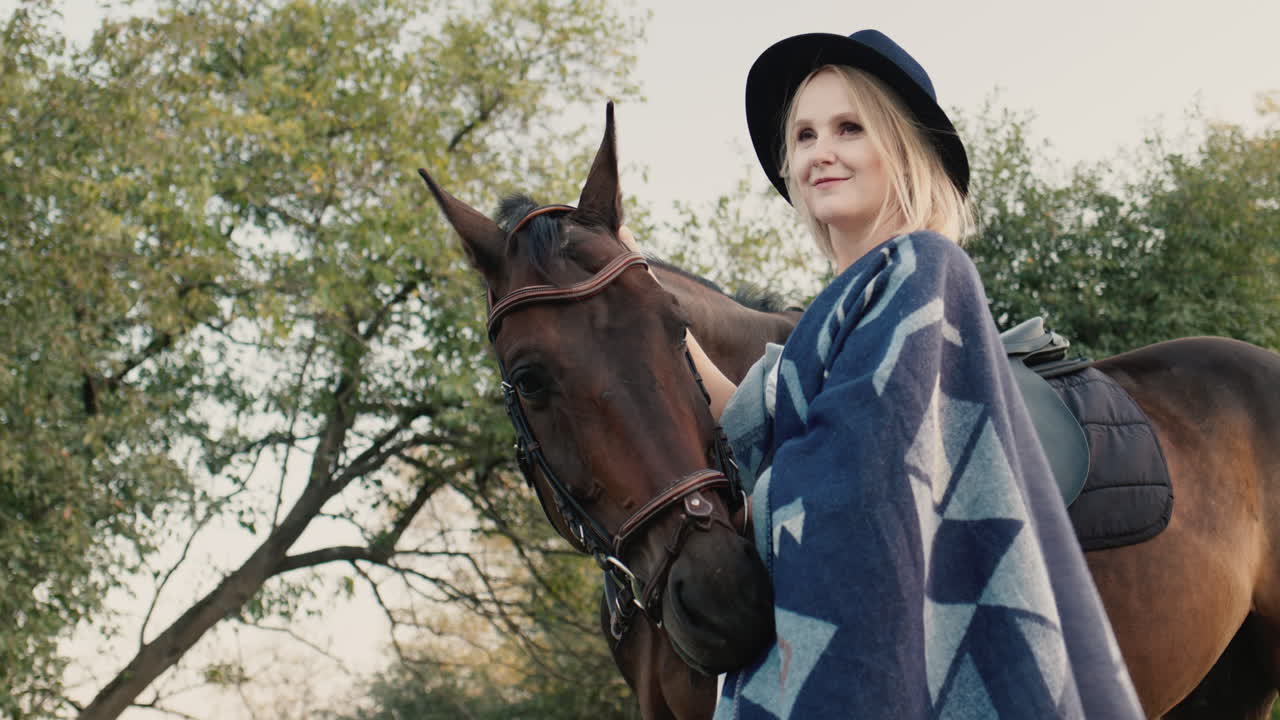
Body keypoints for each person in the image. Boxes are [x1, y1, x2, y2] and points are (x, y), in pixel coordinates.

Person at [622, 30, 1144, 719]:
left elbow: (858, 490)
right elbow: (755, 417)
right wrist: (642, 297)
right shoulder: (834, 316)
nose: (820, 153)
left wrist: (744, 512)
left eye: (848, 128)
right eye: (804, 137)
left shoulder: (922, 270)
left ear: (901, 149)